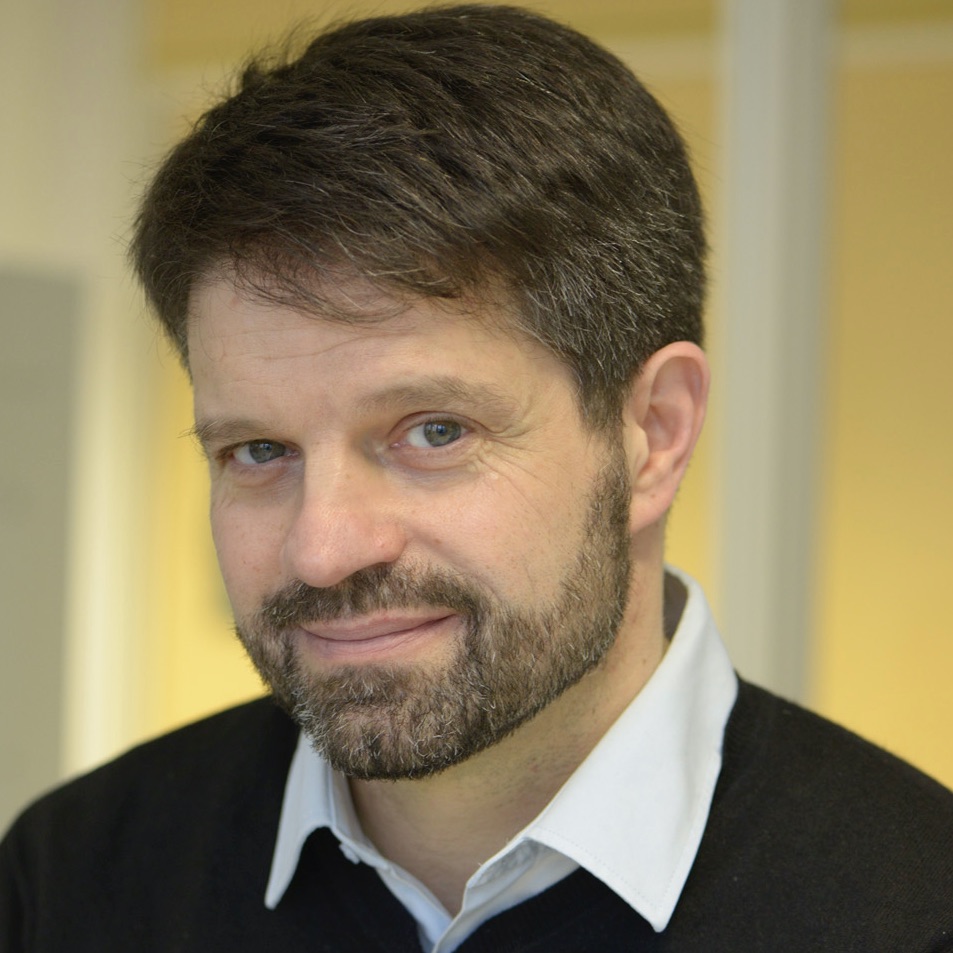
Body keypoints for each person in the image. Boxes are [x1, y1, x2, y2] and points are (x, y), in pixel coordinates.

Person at [2, 4, 951, 951]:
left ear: (653, 433)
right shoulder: (74, 879)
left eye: (433, 431)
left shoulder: (912, 909)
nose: (322, 549)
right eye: (258, 450)